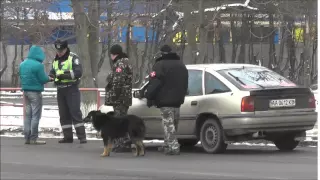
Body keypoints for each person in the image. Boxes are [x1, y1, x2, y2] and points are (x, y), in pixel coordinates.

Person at [145, 45, 188, 155]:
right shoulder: (181, 65)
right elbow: (185, 83)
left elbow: (155, 82)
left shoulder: (159, 65)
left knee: (168, 123)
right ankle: (167, 144)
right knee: (174, 122)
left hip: (165, 99)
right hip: (178, 99)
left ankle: (173, 146)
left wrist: (149, 95)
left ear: (162, 53)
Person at [49, 39, 87, 144]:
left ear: (66, 48)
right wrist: (50, 76)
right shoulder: (55, 60)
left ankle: (82, 137)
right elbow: (52, 71)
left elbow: (78, 72)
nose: (59, 52)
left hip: (71, 88)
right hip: (60, 90)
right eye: (58, 50)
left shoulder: (73, 58)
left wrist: (63, 75)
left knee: (75, 112)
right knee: (63, 114)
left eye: (61, 50)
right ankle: (68, 137)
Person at [19, 45, 53, 145]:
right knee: (35, 116)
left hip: (25, 92)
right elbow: (43, 79)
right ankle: (34, 138)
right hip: (35, 93)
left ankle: (27, 138)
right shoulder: (38, 65)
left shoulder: (22, 64)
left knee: (27, 115)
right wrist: (50, 78)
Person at [105, 44, 133, 152]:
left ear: (114, 54)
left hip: (120, 97)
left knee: (119, 120)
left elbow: (118, 81)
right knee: (122, 119)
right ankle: (124, 142)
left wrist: (114, 97)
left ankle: (122, 144)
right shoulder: (126, 61)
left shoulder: (120, 64)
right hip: (124, 97)